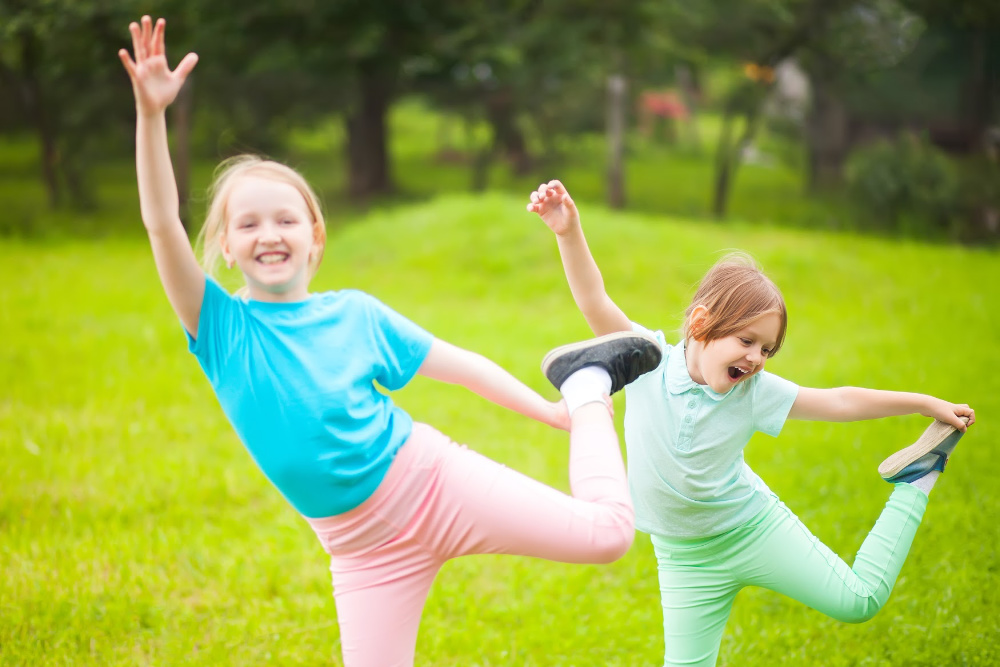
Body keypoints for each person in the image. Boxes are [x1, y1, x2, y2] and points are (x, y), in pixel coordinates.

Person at [118, 17, 663, 667]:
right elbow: (159, 223)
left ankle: (588, 385)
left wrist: (553, 411)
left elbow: (460, 367)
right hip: (363, 551)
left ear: (315, 237)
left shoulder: (356, 315)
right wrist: (151, 117)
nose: (271, 233)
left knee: (608, 537)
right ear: (226, 246)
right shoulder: (222, 329)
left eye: (287, 218)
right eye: (250, 222)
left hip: (435, 483)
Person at [527, 179, 976, 667]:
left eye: (767, 349)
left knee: (859, 601)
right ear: (700, 323)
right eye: (747, 341)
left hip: (752, 528)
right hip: (684, 559)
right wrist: (568, 233)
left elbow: (841, 401)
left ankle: (918, 478)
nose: (757, 358)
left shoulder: (755, 392)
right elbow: (595, 301)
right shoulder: (644, 357)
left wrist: (924, 403)